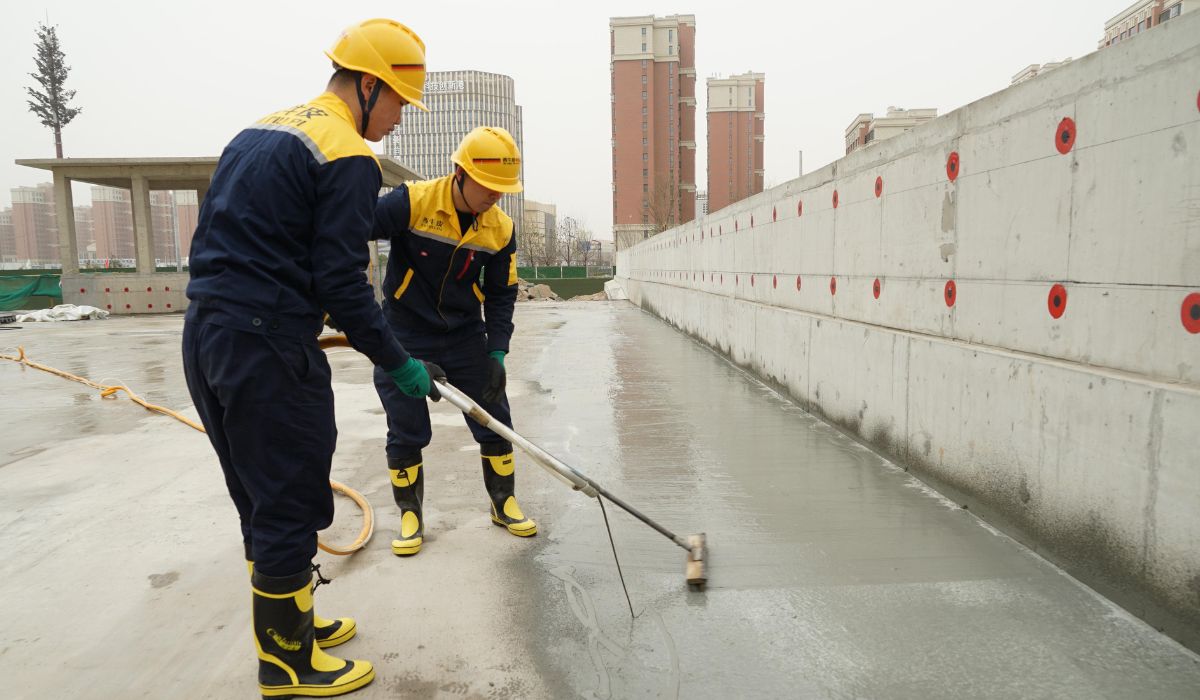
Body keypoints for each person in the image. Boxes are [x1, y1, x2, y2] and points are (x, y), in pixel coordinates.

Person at [181, 19, 444, 698]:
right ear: (367, 84)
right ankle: (286, 666)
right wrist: (398, 360)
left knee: (261, 494)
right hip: (265, 344)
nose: (396, 122)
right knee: (292, 494)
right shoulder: (348, 153)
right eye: (396, 105)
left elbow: (246, 240)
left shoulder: (261, 130)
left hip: (208, 332)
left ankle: (293, 622)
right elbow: (341, 283)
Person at [371, 126, 536, 557]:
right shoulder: (413, 201)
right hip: (404, 332)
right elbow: (349, 231)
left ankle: (504, 503)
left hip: (465, 335)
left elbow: (502, 294)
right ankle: (410, 515)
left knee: (492, 417)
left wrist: (497, 350)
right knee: (407, 428)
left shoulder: (500, 228)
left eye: (504, 189)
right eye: (489, 187)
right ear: (460, 172)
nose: (496, 196)